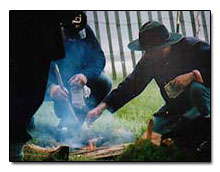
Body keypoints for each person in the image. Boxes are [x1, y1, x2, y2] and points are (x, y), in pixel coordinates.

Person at [86, 21, 210, 153]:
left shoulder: (193, 47)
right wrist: (102, 107)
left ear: (163, 46)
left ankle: (207, 133)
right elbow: (131, 85)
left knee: (196, 89)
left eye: (150, 50)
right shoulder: (150, 59)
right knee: (153, 139)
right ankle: (182, 133)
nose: (146, 55)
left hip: (204, 101)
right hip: (176, 107)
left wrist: (193, 75)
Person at [46, 11, 112, 127]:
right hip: (49, 80)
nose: (73, 39)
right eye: (69, 36)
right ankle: (23, 126)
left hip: (76, 79)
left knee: (105, 82)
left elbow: (99, 57)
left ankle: (75, 121)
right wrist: (50, 88)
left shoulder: (83, 29)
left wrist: (85, 75)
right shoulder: (46, 34)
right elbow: (30, 71)